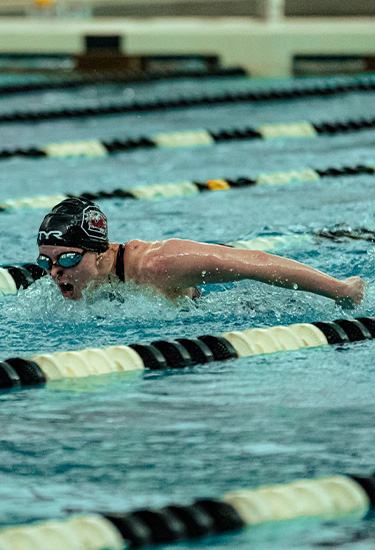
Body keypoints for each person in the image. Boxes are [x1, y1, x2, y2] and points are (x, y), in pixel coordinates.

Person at [37, 198, 365, 306]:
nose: (55, 272)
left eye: (66, 259)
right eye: (46, 261)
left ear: (98, 252)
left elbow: (256, 262)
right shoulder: (88, 278)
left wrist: (341, 290)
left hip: (241, 310)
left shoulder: (159, 264)